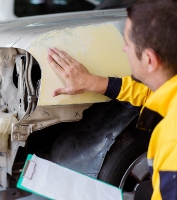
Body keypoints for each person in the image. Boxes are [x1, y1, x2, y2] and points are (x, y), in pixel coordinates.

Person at [47, 0, 177, 200]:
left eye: (127, 42)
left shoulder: (172, 138)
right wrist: (93, 82)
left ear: (149, 60)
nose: (124, 49)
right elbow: (150, 94)